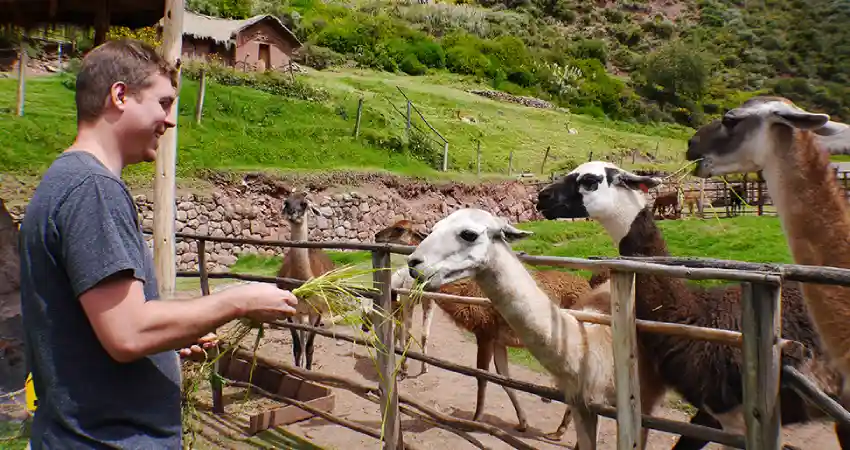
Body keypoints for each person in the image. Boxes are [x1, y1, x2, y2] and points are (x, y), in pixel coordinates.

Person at [18, 38, 299, 449]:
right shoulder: (92, 189)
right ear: (120, 95)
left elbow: (109, 323)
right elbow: (128, 333)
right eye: (164, 103)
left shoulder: (65, 180)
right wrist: (235, 301)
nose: (169, 121)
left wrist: (172, 337)